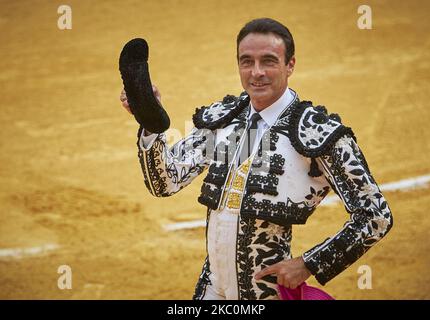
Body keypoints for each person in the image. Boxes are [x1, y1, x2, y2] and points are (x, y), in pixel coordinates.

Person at [119, 18, 393, 300]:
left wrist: (310, 263)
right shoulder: (225, 119)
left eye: (269, 61)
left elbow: (375, 215)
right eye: (246, 61)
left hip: (265, 294)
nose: (256, 72)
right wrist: (149, 123)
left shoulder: (317, 133)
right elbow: (165, 182)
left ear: (290, 65)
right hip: (211, 288)